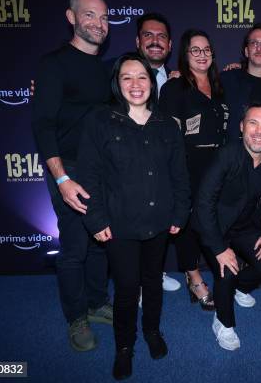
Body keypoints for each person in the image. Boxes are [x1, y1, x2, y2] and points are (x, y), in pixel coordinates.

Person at [78, 53, 191, 379]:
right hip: (119, 225)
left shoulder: (167, 124)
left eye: (141, 76)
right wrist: (95, 220)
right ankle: (124, 346)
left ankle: (153, 331)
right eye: (127, 77)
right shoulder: (100, 121)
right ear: (117, 83)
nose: (135, 84)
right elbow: (90, 176)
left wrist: (180, 212)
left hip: (159, 222)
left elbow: (180, 176)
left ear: (151, 82)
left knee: (153, 282)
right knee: (127, 289)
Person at [31, 0, 112, 352]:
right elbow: (43, 125)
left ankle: (96, 303)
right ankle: (76, 316)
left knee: (99, 242)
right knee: (75, 247)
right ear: (72, 17)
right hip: (70, 168)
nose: (99, 23)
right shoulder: (54, 64)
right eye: (90, 15)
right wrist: (61, 178)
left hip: (102, 168)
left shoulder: (106, 69)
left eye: (105, 17)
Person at [193, 104, 261, 351]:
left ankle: (237, 288)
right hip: (214, 227)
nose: (259, 131)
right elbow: (204, 202)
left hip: (244, 228)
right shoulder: (227, 155)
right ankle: (223, 321)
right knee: (227, 270)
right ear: (242, 127)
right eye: (253, 123)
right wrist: (220, 248)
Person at [158, 29, 228, 310]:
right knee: (187, 226)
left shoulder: (220, 86)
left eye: (206, 49)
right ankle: (194, 277)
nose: (202, 55)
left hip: (218, 166)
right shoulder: (174, 88)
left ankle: (217, 271)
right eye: (195, 50)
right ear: (185, 55)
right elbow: (168, 135)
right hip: (187, 166)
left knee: (211, 221)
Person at [134, 12, 181, 293]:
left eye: (161, 36)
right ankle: (138, 282)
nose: (155, 41)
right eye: (148, 35)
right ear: (137, 41)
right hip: (133, 168)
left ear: (170, 44)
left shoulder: (176, 79)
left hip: (165, 167)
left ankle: (155, 272)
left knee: (159, 222)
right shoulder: (119, 74)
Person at [221, 23, 261, 141]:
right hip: (231, 155)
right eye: (254, 43)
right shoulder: (227, 79)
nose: (259, 47)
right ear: (246, 51)